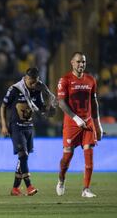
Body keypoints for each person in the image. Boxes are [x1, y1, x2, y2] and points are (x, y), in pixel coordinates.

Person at [0, 67, 56, 196]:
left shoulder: (37, 91)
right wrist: (3, 125)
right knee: (23, 155)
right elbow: (3, 106)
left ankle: (15, 188)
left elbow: (42, 110)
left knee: (23, 159)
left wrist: (50, 110)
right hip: (16, 127)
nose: (33, 84)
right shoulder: (15, 89)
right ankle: (29, 186)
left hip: (29, 127)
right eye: (31, 81)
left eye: (35, 82)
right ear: (25, 78)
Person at [56, 52, 103, 198]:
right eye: (78, 62)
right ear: (72, 62)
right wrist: (76, 118)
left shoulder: (90, 80)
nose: (81, 64)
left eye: (83, 62)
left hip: (88, 123)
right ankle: (61, 179)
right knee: (67, 156)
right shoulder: (65, 80)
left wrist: (98, 125)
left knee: (89, 154)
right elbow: (61, 103)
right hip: (72, 124)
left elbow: (94, 104)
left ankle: (86, 189)